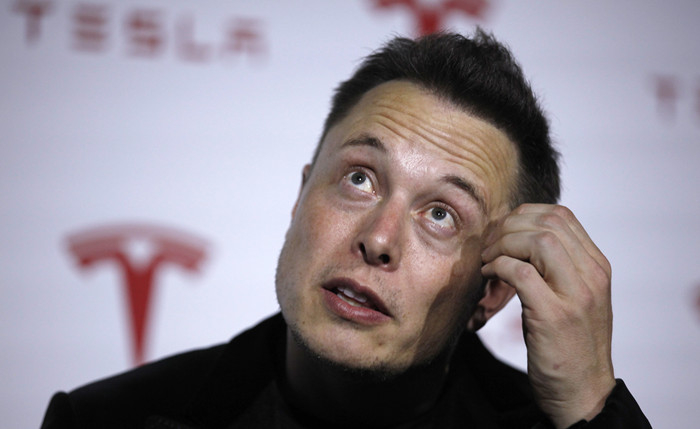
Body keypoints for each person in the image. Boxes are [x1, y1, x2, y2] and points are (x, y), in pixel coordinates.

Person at [41, 30, 651, 428]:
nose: (378, 240)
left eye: (441, 214)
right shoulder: (107, 420)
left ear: (490, 292)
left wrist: (591, 406)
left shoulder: (553, 427)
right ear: (301, 195)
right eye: (360, 178)